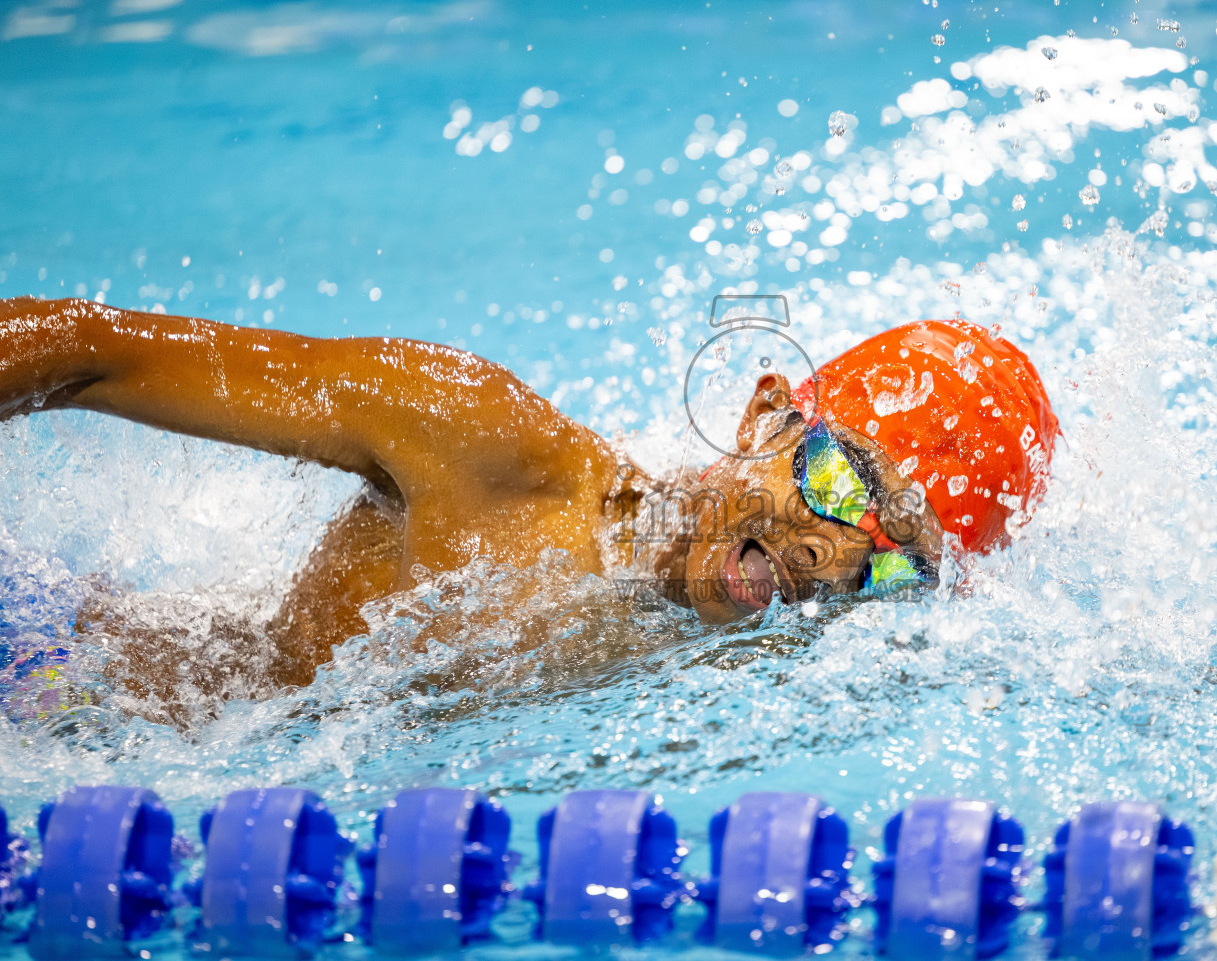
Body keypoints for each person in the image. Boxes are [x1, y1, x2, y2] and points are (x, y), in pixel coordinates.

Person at [0, 296, 1057, 693]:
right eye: (840, 479)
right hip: (66, 676)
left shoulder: (764, 678)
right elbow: (88, 353)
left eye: (892, 558)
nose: (833, 555)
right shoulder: (491, 449)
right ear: (763, 415)